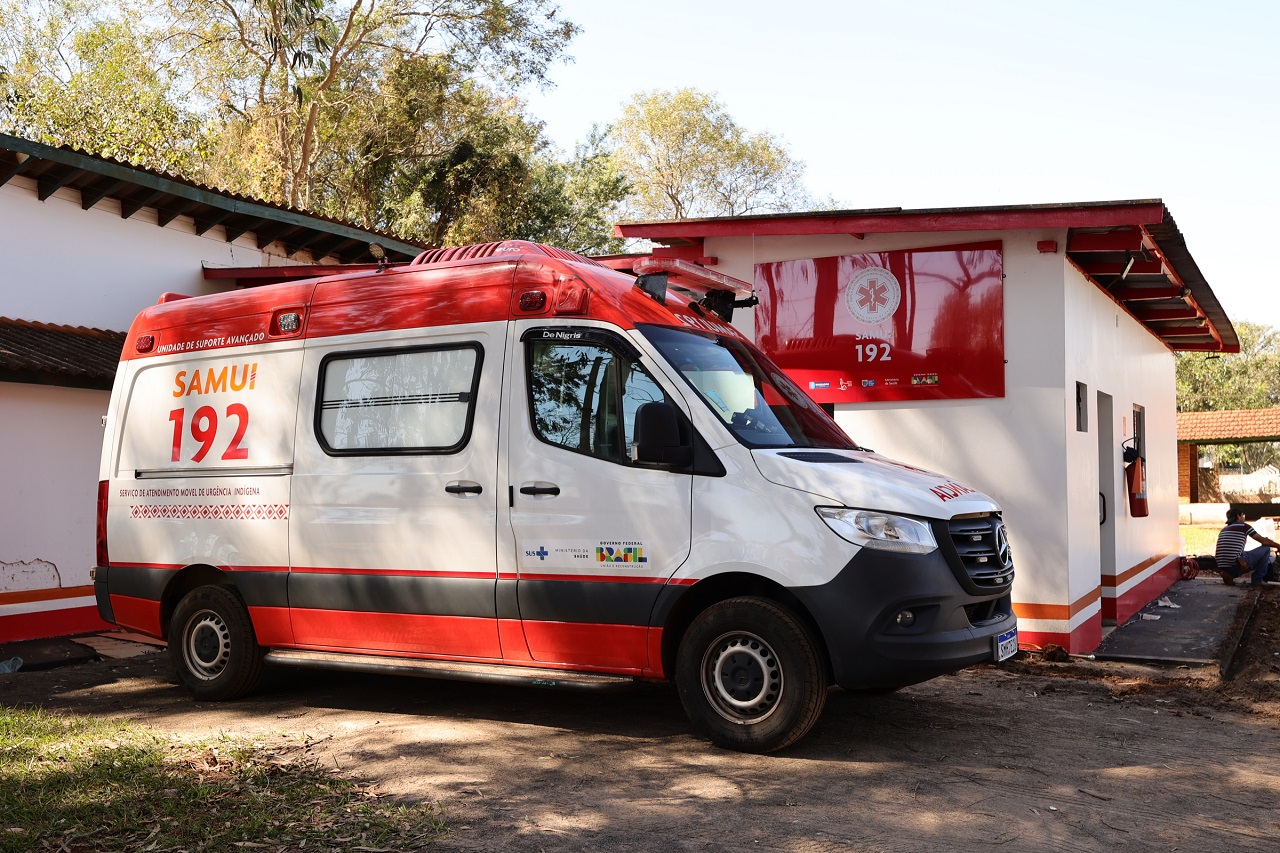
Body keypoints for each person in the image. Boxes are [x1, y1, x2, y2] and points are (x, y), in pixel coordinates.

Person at [1214, 509, 1280, 586]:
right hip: (1235, 564)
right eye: (1243, 515)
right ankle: (1257, 580)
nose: (1244, 517)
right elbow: (1264, 541)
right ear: (1238, 516)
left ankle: (1229, 574)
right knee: (1266, 549)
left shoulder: (1224, 530)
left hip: (1222, 566)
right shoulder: (1244, 527)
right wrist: (1278, 546)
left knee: (1248, 555)